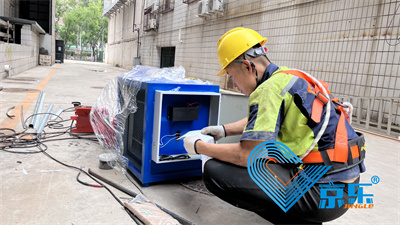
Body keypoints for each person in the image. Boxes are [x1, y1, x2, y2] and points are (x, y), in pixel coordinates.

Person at [183, 27, 366, 224]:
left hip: (322, 193)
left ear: (247, 66)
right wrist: (224, 130)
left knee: (215, 172)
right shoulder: (287, 77)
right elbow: (264, 122)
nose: (234, 83)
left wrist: (198, 147)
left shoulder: (267, 90)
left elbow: (246, 155)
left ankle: (298, 220)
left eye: (231, 76)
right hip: (346, 187)